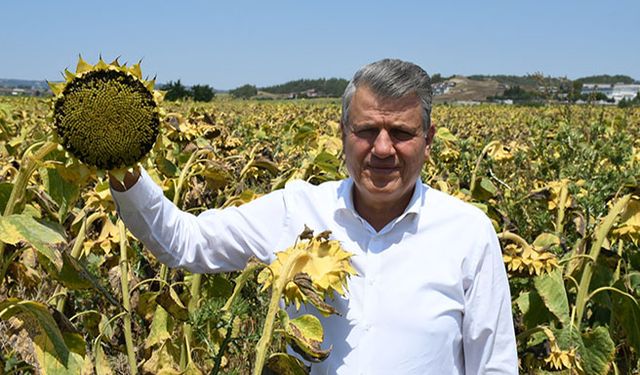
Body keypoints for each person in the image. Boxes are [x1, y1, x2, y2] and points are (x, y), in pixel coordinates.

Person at [110, 59, 518, 374]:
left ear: (427, 142)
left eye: (400, 133)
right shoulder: (296, 210)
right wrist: (121, 162)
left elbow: (494, 365)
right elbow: (186, 243)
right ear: (342, 134)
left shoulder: (467, 233)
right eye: (365, 131)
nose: (381, 148)